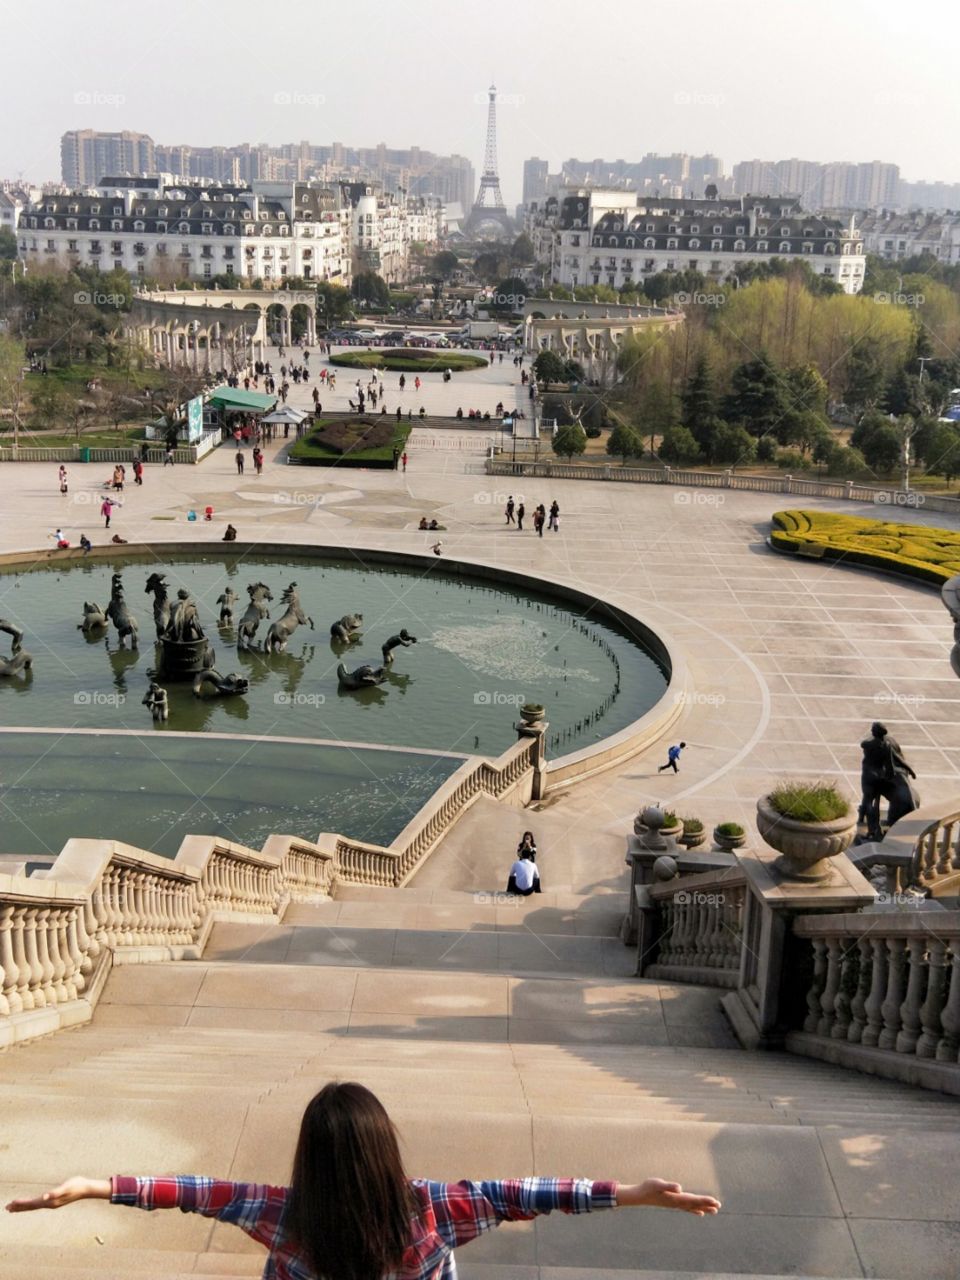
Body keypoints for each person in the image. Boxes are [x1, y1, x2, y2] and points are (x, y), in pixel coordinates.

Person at [4, 1083, 719, 1278]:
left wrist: (97, 1185)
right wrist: (631, 1192)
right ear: (386, 1153)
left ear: (307, 1160)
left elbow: (193, 1193)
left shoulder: (281, 1215)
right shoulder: (438, 1210)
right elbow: (530, 1193)